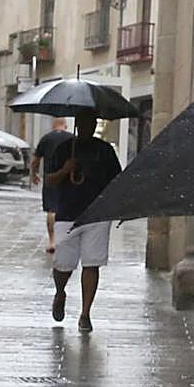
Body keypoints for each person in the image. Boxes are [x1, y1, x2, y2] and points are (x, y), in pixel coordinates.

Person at [45, 110, 120, 333]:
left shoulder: (104, 151)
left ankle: (85, 314)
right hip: (68, 213)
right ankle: (60, 292)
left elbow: (117, 179)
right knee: (63, 264)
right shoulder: (63, 149)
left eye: (91, 123)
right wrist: (64, 170)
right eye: (83, 123)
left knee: (92, 263)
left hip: (96, 215)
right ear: (77, 125)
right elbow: (49, 181)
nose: (87, 127)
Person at [29, 118, 73, 253]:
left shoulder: (46, 139)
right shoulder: (72, 139)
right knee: (68, 210)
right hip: (69, 179)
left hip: (51, 178)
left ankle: (52, 241)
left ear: (53, 125)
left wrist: (34, 174)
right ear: (65, 125)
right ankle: (66, 240)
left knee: (51, 210)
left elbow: (35, 161)